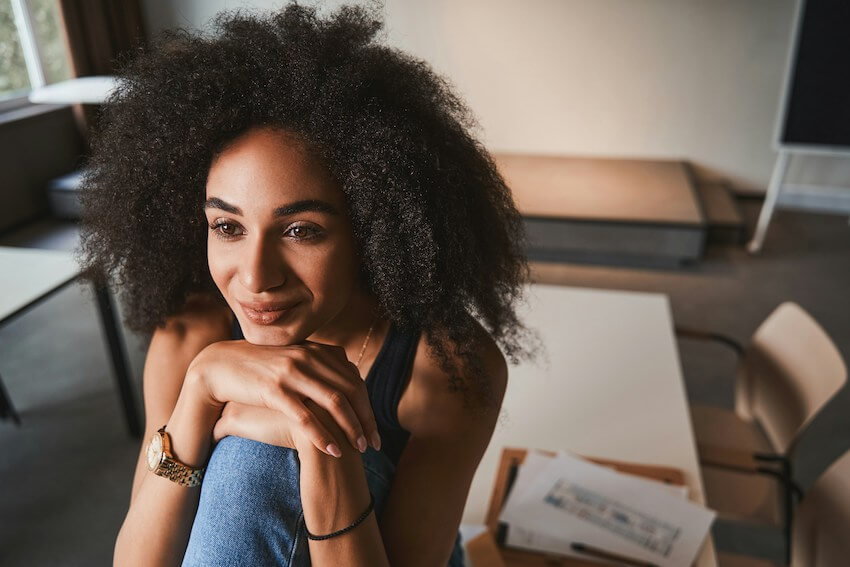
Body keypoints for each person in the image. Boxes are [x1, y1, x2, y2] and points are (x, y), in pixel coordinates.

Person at [80, 3, 534, 566]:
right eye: (227, 226)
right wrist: (200, 389)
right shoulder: (189, 337)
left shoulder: (443, 369)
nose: (255, 277)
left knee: (257, 461)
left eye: (301, 231)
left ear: (372, 231)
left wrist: (319, 445)